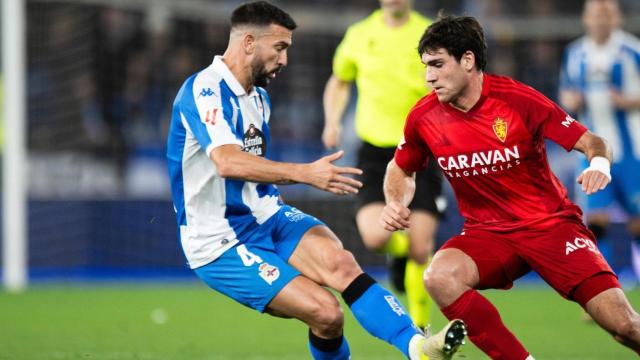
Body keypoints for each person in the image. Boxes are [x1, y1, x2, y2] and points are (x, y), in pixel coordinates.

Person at [166, 2, 466, 359]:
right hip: (219, 241)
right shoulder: (204, 89)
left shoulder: (258, 98)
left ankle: (419, 347)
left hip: (267, 216)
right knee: (326, 314)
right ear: (248, 42)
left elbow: (252, 168)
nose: (285, 60)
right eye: (280, 48)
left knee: (342, 265)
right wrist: (306, 174)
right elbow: (228, 162)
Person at [380, 14, 640, 359]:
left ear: (468, 60)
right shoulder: (423, 116)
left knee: (625, 327)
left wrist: (599, 164)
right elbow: (400, 168)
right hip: (488, 234)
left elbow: (592, 141)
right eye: (426, 66)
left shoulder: (518, 100)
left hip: (551, 227)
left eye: (438, 65)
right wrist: (395, 201)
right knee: (439, 277)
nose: (429, 77)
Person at [323, 0, 442, 328]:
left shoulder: (429, 33)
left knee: (422, 247)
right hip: (375, 152)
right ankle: (397, 251)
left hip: (421, 148)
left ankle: (420, 329)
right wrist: (332, 120)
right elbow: (340, 79)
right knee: (376, 237)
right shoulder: (360, 34)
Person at [559, 0, 640, 282]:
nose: (600, 20)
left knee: (637, 222)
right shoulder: (575, 53)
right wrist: (573, 100)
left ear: (616, 18)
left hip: (633, 151)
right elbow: (565, 95)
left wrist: (627, 100)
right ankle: (604, 287)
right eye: (595, 14)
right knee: (596, 222)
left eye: (606, 14)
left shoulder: (632, 50)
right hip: (591, 151)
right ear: (585, 18)